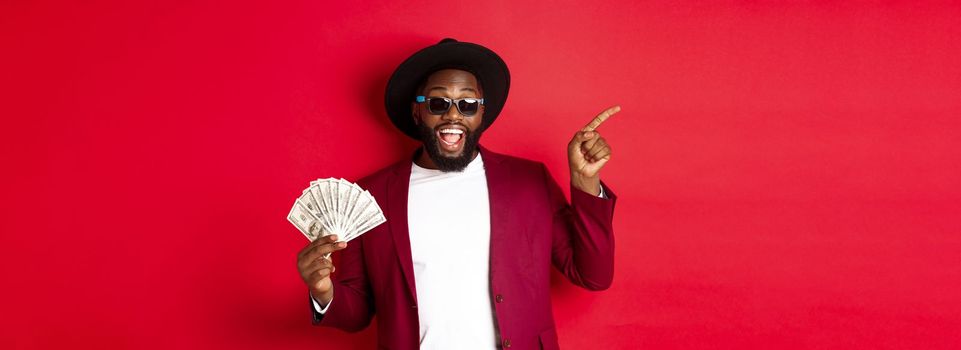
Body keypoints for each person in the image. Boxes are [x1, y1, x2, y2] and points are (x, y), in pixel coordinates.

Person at [295, 38, 618, 349]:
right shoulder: (371, 195)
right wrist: (324, 291)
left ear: (480, 113)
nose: (453, 115)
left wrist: (585, 181)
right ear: (417, 112)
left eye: (466, 103)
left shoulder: (529, 181)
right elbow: (357, 313)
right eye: (438, 103)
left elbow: (593, 275)